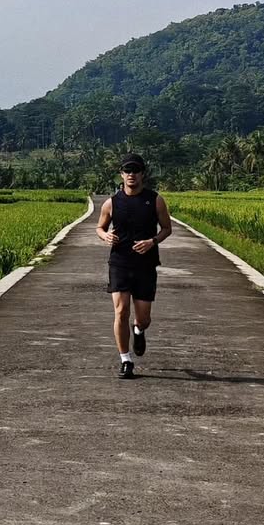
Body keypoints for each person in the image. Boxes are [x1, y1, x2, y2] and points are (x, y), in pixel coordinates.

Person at [96, 154, 172, 379]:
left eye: (135, 170)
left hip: (146, 264)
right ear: (121, 174)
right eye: (127, 170)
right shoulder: (112, 202)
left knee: (143, 318)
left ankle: (138, 331)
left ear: (142, 174)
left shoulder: (155, 200)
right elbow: (99, 227)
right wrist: (105, 236)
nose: (131, 174)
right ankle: (125, 360)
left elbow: (167, 228)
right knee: (121, 311)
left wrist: (153, 241)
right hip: (119, 262)